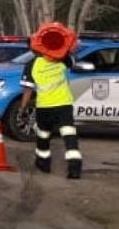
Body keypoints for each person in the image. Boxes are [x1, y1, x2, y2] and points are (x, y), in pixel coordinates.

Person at [19, 45, 81, 179]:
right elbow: (73, 61)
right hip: (64, 104)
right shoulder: (62, 58)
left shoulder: (31, 64)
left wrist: (22, 108)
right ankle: (74, 169)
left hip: (44, 106)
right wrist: (68, 49)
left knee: (43, 136)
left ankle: (43, 164)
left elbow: (28, 90)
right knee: (69, 135)